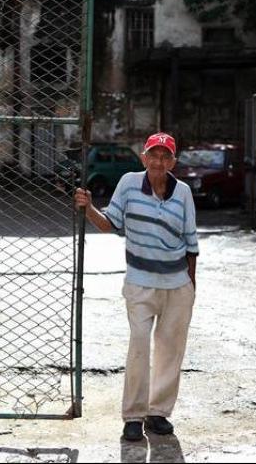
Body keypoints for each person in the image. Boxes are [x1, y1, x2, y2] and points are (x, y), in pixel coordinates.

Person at [74, 132, 198, 442]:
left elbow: (191, 244)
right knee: (139, 346)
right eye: (153, 155)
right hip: (140, 284)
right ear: (143, 157)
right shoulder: (129, 183)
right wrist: (88, 208)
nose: (158, 161)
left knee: (171, 351)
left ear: (173, 162)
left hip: (177, 285)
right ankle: (133, 416)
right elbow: (111, 223)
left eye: (165, 156)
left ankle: (158, 413)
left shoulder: (182, 192)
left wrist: (191, 287)